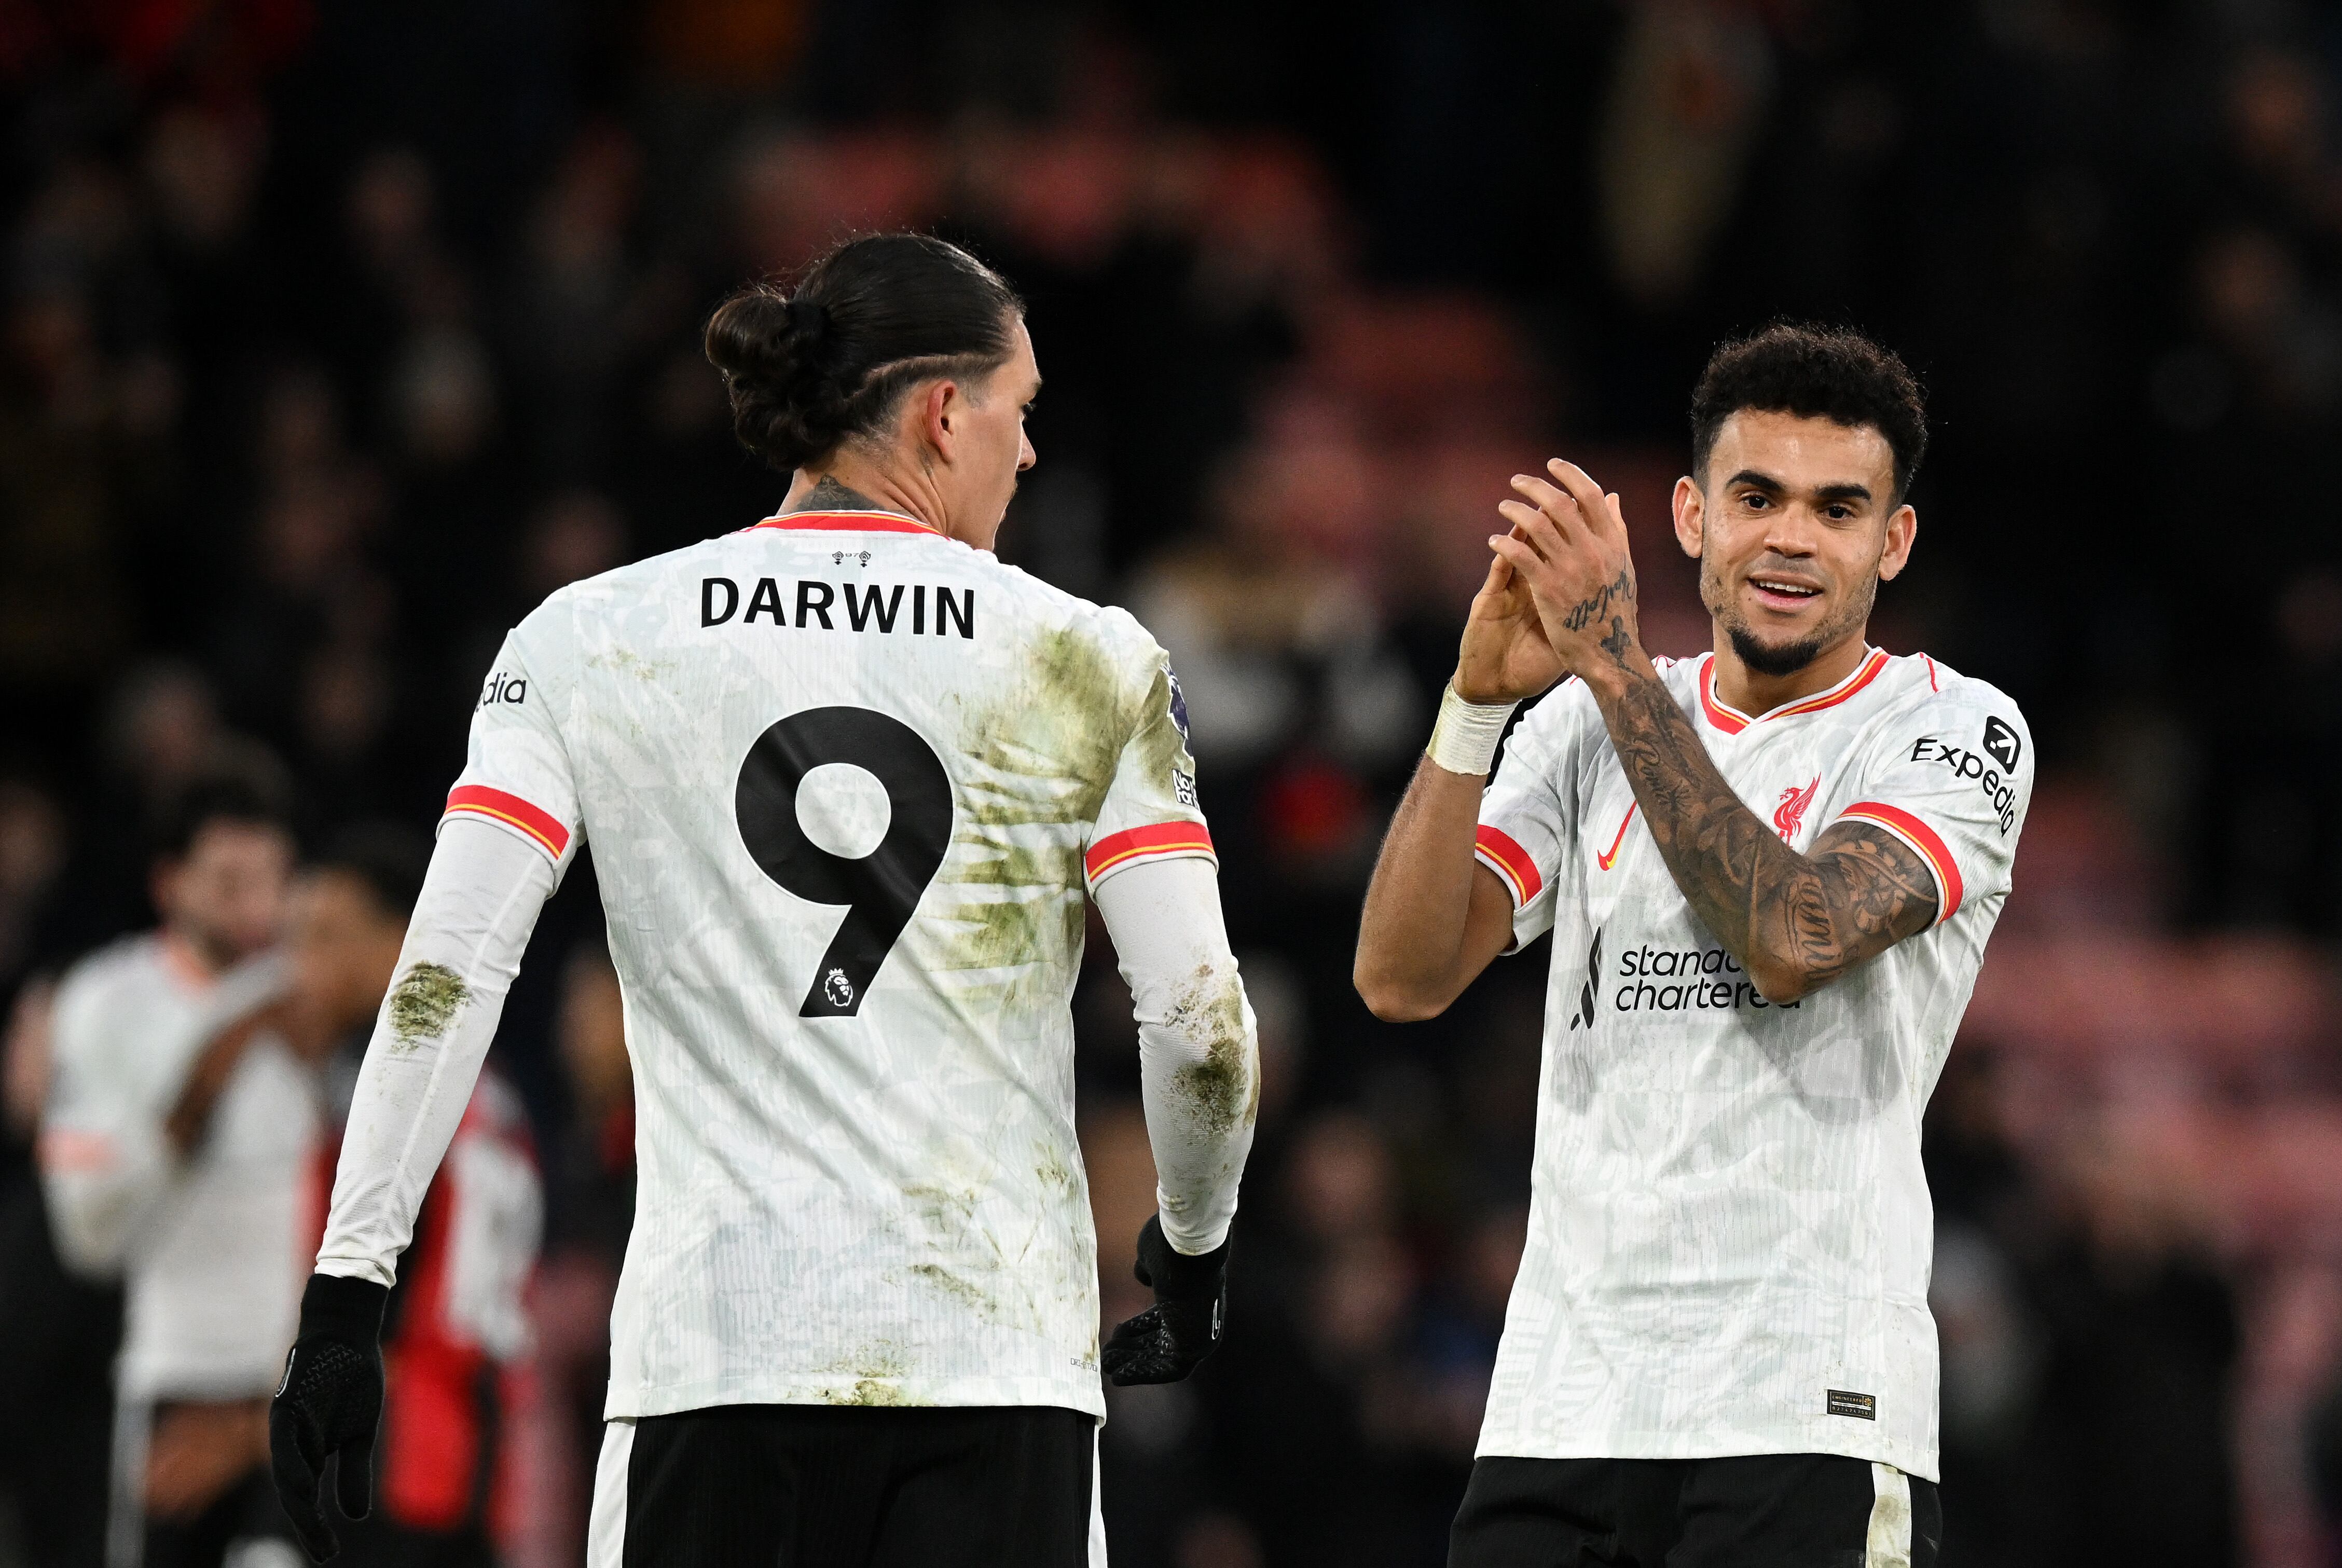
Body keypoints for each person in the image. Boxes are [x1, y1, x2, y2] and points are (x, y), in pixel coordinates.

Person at [268, 232, 1260, 1568]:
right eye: (1019, 414)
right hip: (996, 1365)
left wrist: (347, 1294)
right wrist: (1189, 1252)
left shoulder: (591, 637)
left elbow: (447, 973)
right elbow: (1200, 1022)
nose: (1028, 457)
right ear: (941, 410)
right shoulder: (1088, 657)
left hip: (715, 1363)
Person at [1355, 323, 2032, 1567]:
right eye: (1754, 496)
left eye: (1836, 509)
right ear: (1687, 515)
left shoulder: (1950, 732)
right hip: (1562, 1404)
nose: (1787, 537)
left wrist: (1611, 663)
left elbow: (1791, 935)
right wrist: (1470, 708)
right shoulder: (1577, 725)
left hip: (1803, 1409)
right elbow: (1400, 976)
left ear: (1892, 542)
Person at [238, 827, 542, 1568]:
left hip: (388, 1472)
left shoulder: (403, 1101)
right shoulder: (485, 1090)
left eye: (325, 936)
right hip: (466, 1468)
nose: (298, 965)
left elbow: (416, 1325)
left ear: (397, 945)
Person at [40, 764, 314, 1568]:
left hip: (299, 1383)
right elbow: (85, 1231)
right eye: (230, 882)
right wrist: (199, 1089)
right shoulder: (106, 1002)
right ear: (170, 883)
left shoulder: (317, 998)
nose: (259, 908)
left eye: (273, 880)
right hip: (175, 1379)